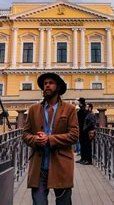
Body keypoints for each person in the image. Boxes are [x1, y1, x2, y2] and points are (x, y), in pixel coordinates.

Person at [23, 73, 79, 205]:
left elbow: (74, 135)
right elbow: (25, 134)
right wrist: (35, 140)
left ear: (58, 87)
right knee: (39, 202)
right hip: (39, 166)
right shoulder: (33, 109)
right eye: (45, 83)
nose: (47, 85)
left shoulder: (70, 109)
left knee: (64, 202)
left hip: (61, 165)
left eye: (51, 83)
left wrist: (50, 139)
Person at [76, 97, 89, 164]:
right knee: (82, 144)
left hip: (83, 130)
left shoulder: (83, 110)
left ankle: (85, 158)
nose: (77, 103)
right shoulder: (82, 110)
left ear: (80, 102)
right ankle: (83, 158)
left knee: (84, 144)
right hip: (82, 129)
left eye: (78, 102)